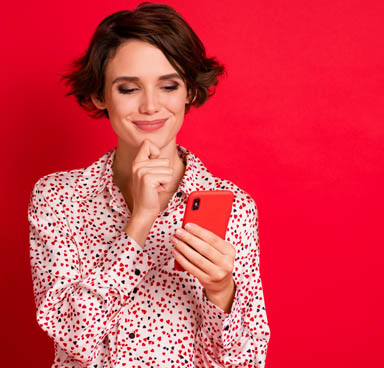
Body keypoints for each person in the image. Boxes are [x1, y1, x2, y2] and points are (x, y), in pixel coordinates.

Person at [27, 3, 271, 367]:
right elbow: (75, 336)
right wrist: (139, 223)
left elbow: (244, 363)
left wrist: (222, 291)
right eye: (128, 89)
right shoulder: (60, 198)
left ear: (188, 92)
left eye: (168, 85)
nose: (151, 106)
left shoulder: (233, 206)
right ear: (100, 96)